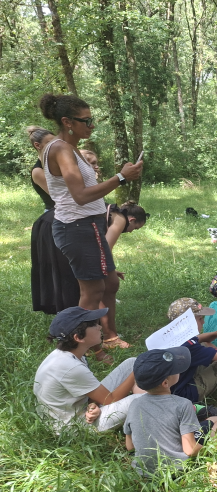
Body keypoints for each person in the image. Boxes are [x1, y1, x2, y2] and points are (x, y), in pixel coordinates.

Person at [39, 93, 143, 364]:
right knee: (92, 291)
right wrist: (121, 177)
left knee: (109, 283)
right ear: (67, 121)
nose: (92, 125)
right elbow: (81, 196)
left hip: (92, 225)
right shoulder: (60, 148)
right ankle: (81, 349)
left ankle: (108, 336)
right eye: (86, 121)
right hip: (76, 227)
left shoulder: (72, 148)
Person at [33, 306, 144, 432]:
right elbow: (110, 399)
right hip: (75, 426)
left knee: (132, 363)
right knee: (140, 398)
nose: (100, 327)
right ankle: (153, 413)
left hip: (84, 409)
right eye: (93, 325)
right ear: (78, 337)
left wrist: (93, 405)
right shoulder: (70, 367)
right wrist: (137, 372)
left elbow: (90, 394)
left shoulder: (72, 355)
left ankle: (146, 412)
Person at [124, 347, 217, 476]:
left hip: (143, 471)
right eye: (175, 369)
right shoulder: (182, 404)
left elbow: (130, 446)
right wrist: (209, 448)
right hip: (177, 470)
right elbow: (190, 449)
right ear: (165, 382)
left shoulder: (134, 404)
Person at [27, 125, 81, 315]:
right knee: (63, 270)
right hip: (55, 219)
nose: (55, 146)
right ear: (37, 146)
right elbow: (59, 194)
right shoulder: (38, 171)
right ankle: (66, 308)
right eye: (49, 143)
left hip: (71, 215)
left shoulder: (58, 164)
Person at [98, 201, 149, 349]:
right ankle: (109, 337)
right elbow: (105, 250)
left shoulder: (111, 214)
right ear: (131, 219)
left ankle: (101, 330)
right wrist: (110, 271)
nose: (132, 231)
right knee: (110, 285)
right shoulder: (120, 219)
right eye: (135, 228)